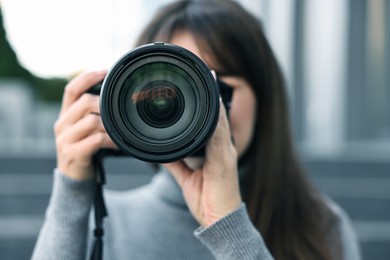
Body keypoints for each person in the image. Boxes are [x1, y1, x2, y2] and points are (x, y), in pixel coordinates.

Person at [32, 0, 361, 259]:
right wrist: (72, 190)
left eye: (218, 88)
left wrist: (229, 226)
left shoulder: (319, 227)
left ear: (264, 97)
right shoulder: (100, 223)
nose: (204, 111)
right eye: (167, 88)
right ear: (124, 106)